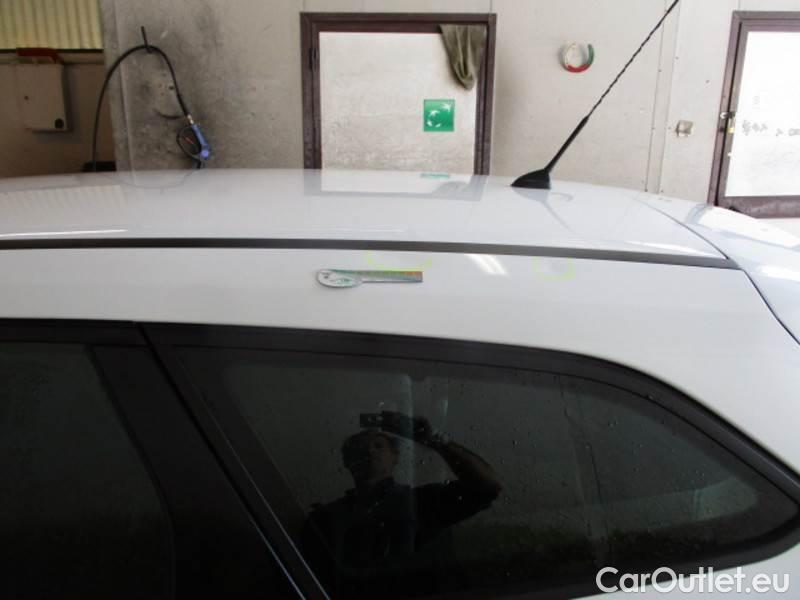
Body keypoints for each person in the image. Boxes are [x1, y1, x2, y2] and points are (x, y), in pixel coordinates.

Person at [302, 411, 502, 597]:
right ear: (347, 461)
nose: (370, 451)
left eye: (378, 446)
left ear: (395, 457)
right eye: (359, 448)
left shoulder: (424, 501)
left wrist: (434, 439)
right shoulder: (325, 518)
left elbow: (487, 487)